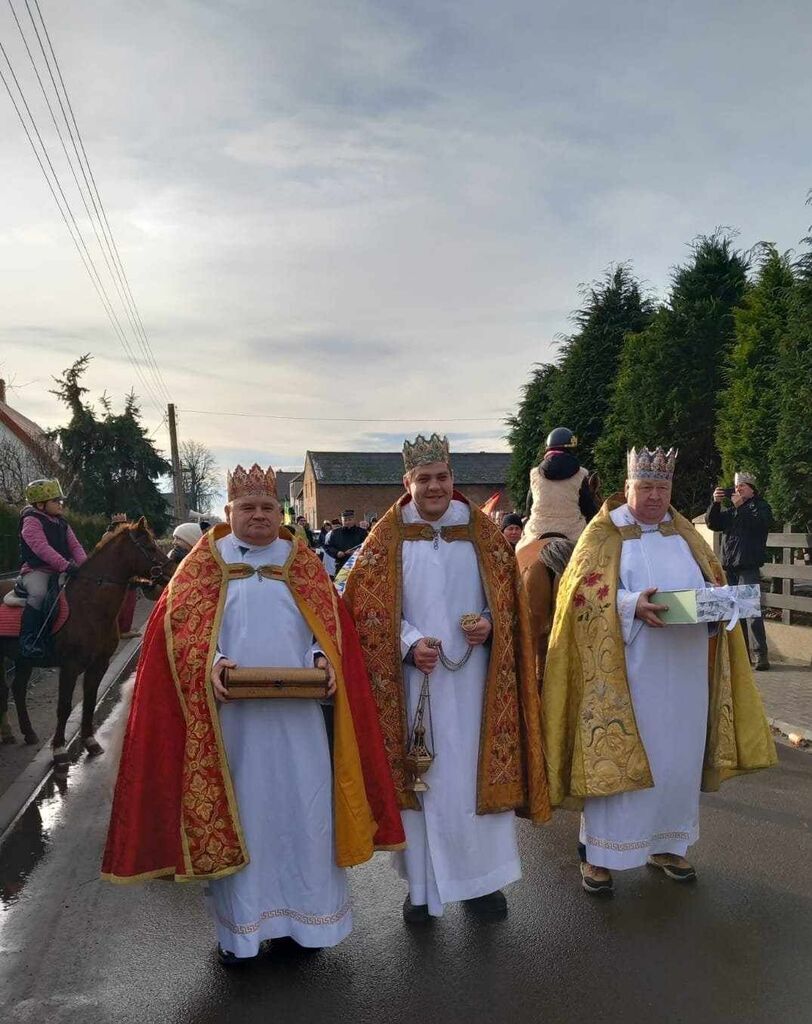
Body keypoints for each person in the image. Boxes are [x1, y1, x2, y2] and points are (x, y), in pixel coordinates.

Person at [102, 464, 404, 965]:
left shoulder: (304, 565)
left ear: (278, 513)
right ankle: (241, 936)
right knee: (243, 821)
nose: (259, 516)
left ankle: (301, 930)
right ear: (229, 513)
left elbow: (329, 630)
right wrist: (213, 663)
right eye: (248, 508)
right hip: (231, 732)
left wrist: (322, 657)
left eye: (267, 508)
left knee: (303, 819)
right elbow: (180, 637)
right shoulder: (201, 568)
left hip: (299, 724)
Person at [542, 446, 777, 897]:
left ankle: (668, 845)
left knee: (678, 759)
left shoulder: (685, 534)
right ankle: (601, 855)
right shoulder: (604, 534)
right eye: (645, 487)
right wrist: (630, 604)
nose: (654, 496)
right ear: (627, 487)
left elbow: (711, 584)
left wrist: (718, 607)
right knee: (623, 757)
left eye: (662, 488)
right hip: (626, 676)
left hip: (686, 672)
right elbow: (577, 599)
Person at [343, 434, 549, 924]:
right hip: (414, 685)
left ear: (453, 480)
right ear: (407, 482)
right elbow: (365, 609)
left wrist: (488, 621)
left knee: (474, 774)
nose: (434, 487)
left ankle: (485, 885)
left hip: (478, 686)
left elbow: (508, 603)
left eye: (442, 477)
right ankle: (423, 888)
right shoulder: (386, 539)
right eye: (424, 479)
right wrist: (409, 643)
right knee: (426, 779)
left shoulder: (479, 531)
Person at [707, 472, 773, 670]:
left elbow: (761, 524)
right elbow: (713, 524)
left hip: (748, 566)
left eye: (742, 486)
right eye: (736, 487)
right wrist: (716, 503)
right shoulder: (734, 510)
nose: (738, 489)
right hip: (730, 567)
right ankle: (743, 656)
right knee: (735, 612)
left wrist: (741, 507)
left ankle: (761, 656)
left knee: (751, 612)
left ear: (752, 489)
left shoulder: (760, 507)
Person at [17, 479, 87, 658]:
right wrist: (65, 565)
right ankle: (29, 640)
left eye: (60, 500)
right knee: (39, 594)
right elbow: (42, 548)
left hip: (61, 570)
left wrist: (85, 567)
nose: (60, 504)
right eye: (56, 501)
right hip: (37, 570)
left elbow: (75, 547)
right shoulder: (31, 521)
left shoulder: (62, 522)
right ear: (40, 504)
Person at [519, 427, 598, 551]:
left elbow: (529, 506)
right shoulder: (582, 474)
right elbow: (588, 508)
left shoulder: (534, 473)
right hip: (573, 533)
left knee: (519, 552)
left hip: (537, 532)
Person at [104, 513, 139, 639]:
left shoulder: (123, 537)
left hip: (124, 575)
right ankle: (121, 629)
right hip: (117, 575)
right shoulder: (110, 537)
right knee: (124, 603)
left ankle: (123, 628)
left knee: (128, 602)